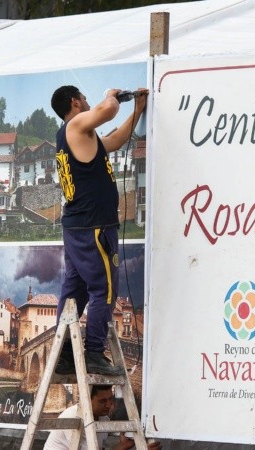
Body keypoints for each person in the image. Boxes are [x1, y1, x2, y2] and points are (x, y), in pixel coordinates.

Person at [50, 85, 148, 376]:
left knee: (75, 291)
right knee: (104, 289)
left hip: (80, 226)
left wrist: (138, 110)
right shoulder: (75, 124)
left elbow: (115, 140)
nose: (89, 100)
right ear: (75, 102)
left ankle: (63, 355)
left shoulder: (78, 136)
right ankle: (94, 352)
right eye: (84, 97)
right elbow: (107, 110)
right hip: (94, 226)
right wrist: (112, 94)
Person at [43, 385, 159, 450]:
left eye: (110, 399)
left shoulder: (102, 418)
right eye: (103, 401)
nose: (109, 405)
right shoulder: (74, 417)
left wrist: (122, 445)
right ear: (87, 400)